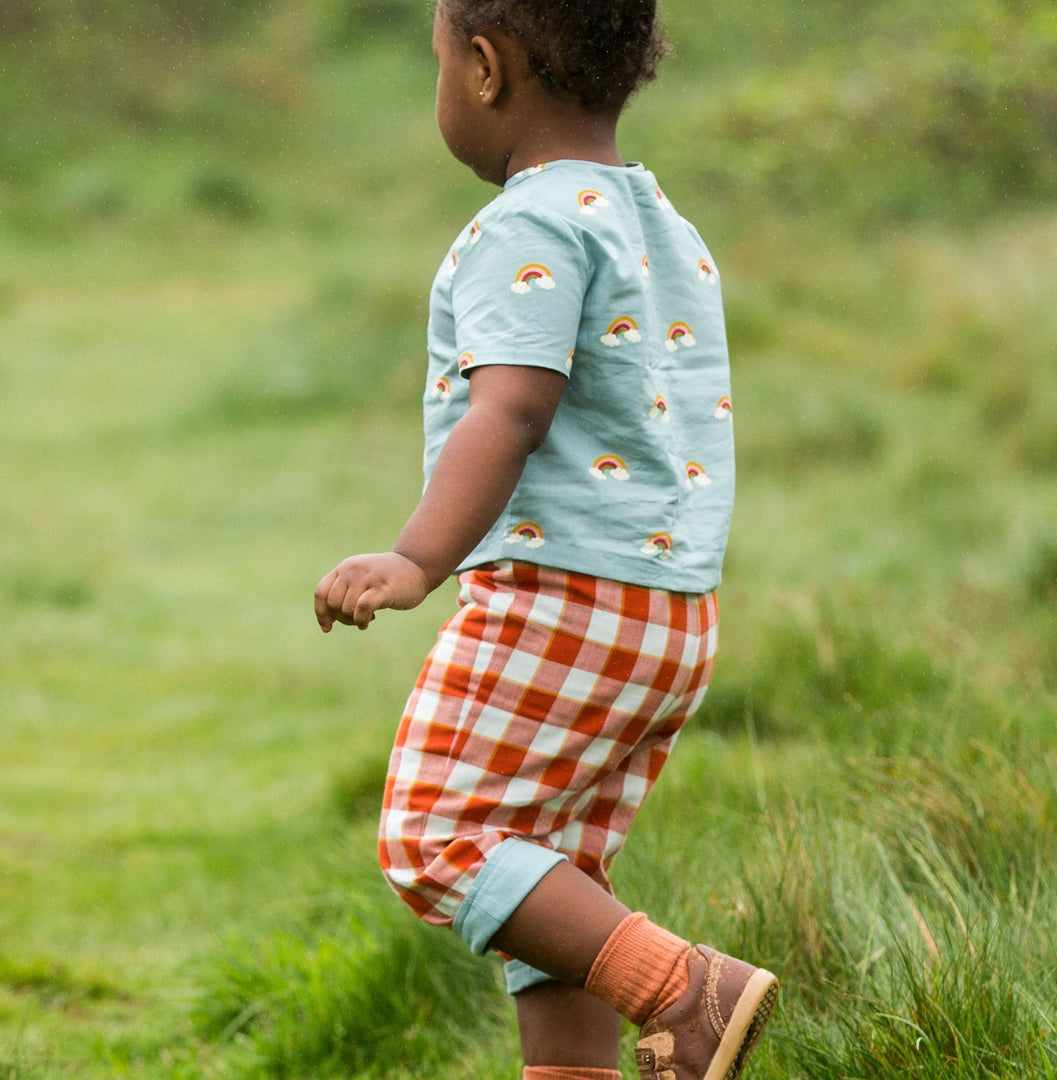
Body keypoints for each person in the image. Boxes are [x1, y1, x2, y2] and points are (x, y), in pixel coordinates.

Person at [313, 2, 778, 1077]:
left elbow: (510, 411)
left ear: (483, 68)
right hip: (668, 613)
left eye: (437, 64)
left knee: (438, 837)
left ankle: (686, 991)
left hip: (559, 599)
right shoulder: (659, 220)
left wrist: (419, 558)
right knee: (546, 875)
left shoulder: (525, 226)